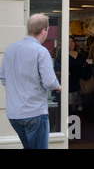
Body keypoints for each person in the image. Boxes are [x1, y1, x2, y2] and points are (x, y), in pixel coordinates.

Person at [0, 14, 61, 149]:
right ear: (44, 30)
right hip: (34, 113)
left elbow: (3, 79)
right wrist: (58, 86)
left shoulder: (10, 49)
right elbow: (50, 82)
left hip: (14, 114)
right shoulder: (41, 51)